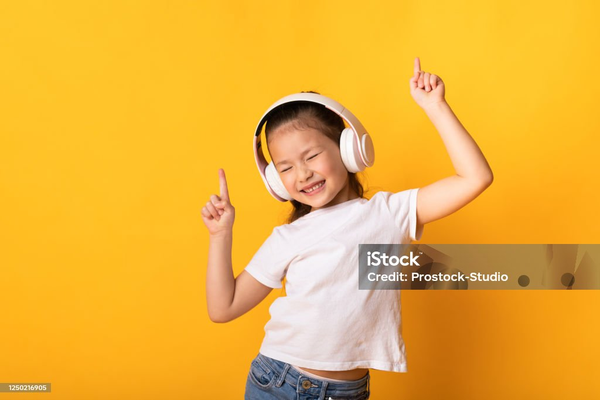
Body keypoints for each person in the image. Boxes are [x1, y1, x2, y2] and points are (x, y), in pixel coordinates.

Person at [201, 57, 493, 400]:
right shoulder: (288, 237)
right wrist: (221, 236)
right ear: (275, 182)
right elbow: (223, 308)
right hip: (279, 382)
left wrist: (435, 106)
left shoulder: (389, 212)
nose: (302, 174)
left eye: (311, 156)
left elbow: (476, 178)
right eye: (286, 168)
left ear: (347, 148)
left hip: (348, 392)